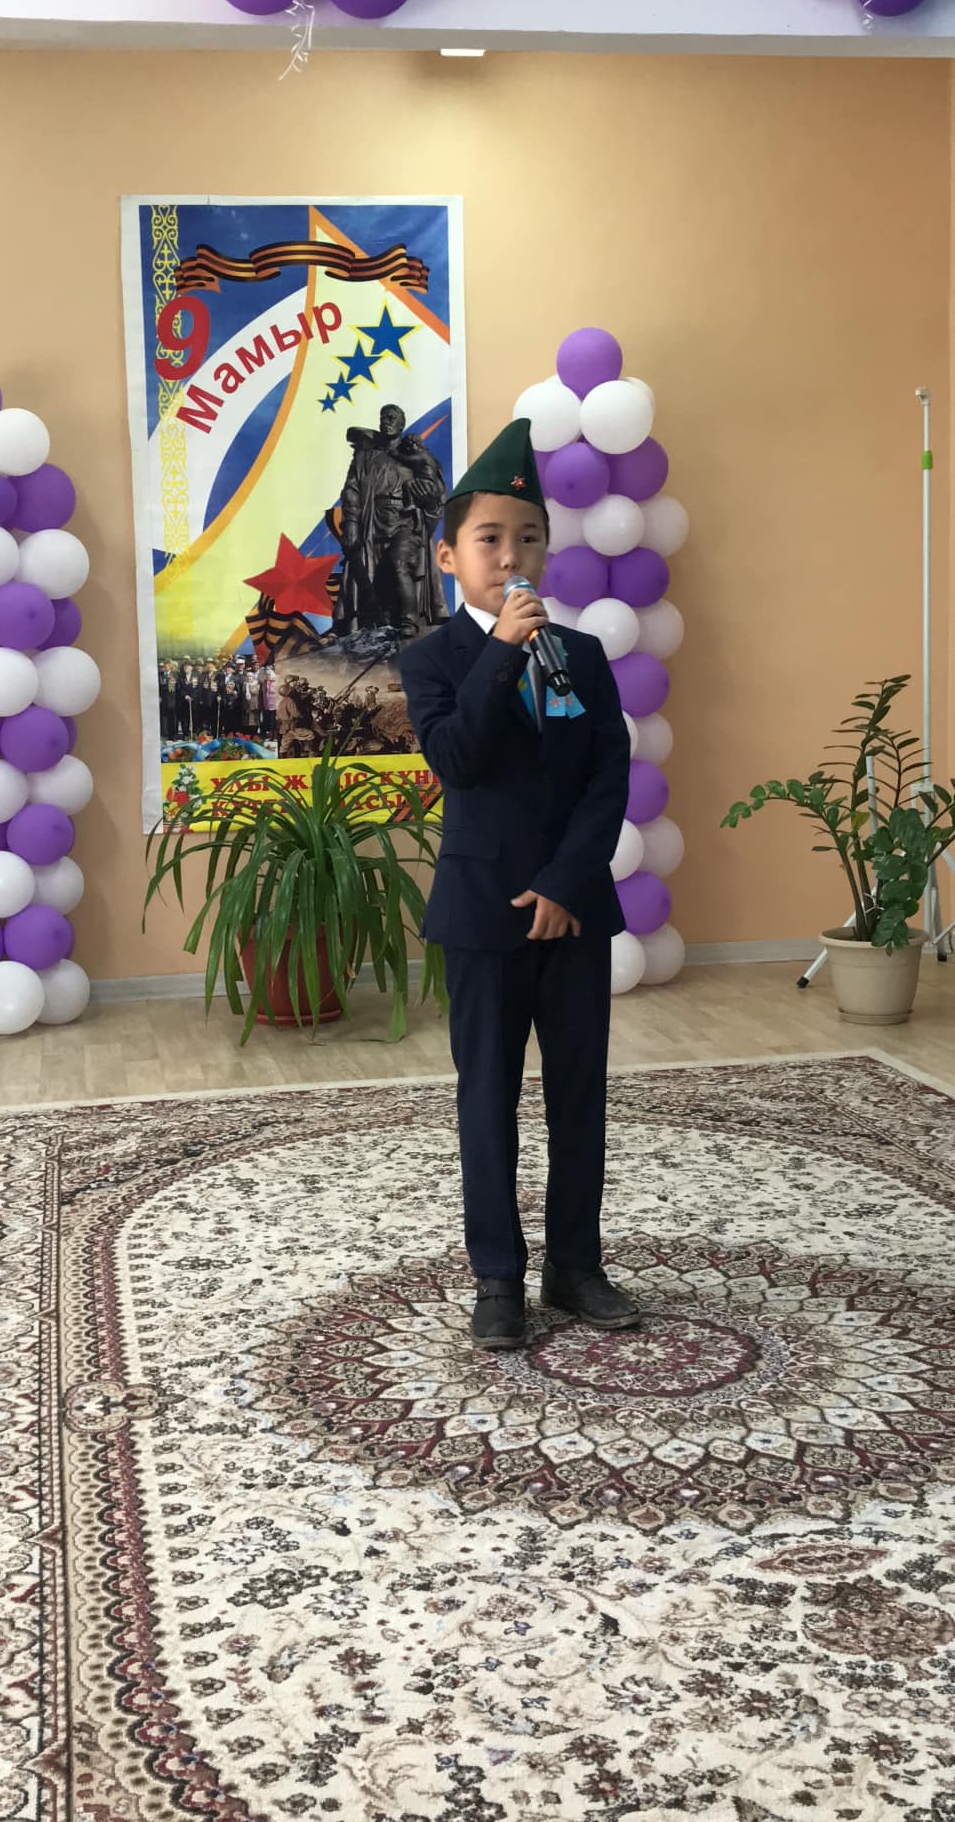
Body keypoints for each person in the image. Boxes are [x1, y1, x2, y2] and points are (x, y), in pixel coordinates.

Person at [400, 418, 638, 1353]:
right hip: (483, 914)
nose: (511, 556)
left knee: (580, 1093)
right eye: (490, 539)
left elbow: (607, 778)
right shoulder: (433, 660)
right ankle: (497, 1276)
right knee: (487, 1097)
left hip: (573, 910)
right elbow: (458, 758)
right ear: (449, 555)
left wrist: (567, 881)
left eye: (529, 538)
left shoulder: (583, 656)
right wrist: (501, 650)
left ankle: (575, 1266)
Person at [331, 404, 448, 642]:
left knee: (399, 563)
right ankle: (376, 628)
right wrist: (351, 523)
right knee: (373, 578)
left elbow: (436, 491)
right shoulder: (365, 457)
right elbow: (351, 490)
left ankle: (409, 622)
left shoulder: (414, 454)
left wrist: (429, 497)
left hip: (405, 521)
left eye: (393, 418)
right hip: (372, 522)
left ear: (402, 424)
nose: (387, 421)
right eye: (384, 417)